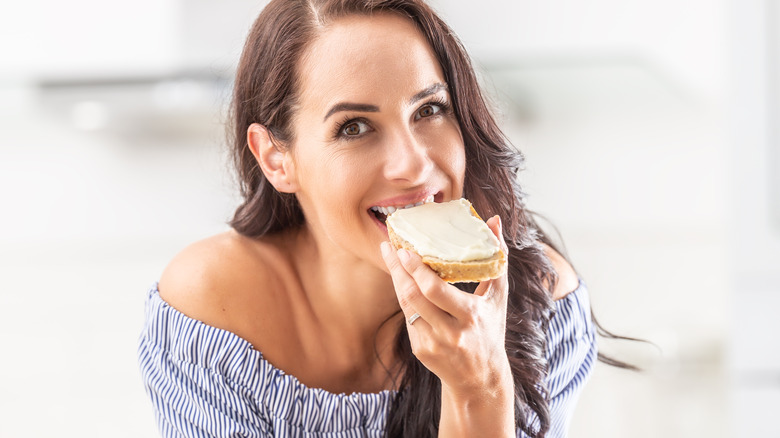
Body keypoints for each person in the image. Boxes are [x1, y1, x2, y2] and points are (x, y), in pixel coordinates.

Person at [137, 0, 604, 436]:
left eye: (430, 109)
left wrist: (480, 387)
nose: (414, 164)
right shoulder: (214, 309)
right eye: (354, 127)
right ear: (277, 159)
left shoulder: (539, 304)